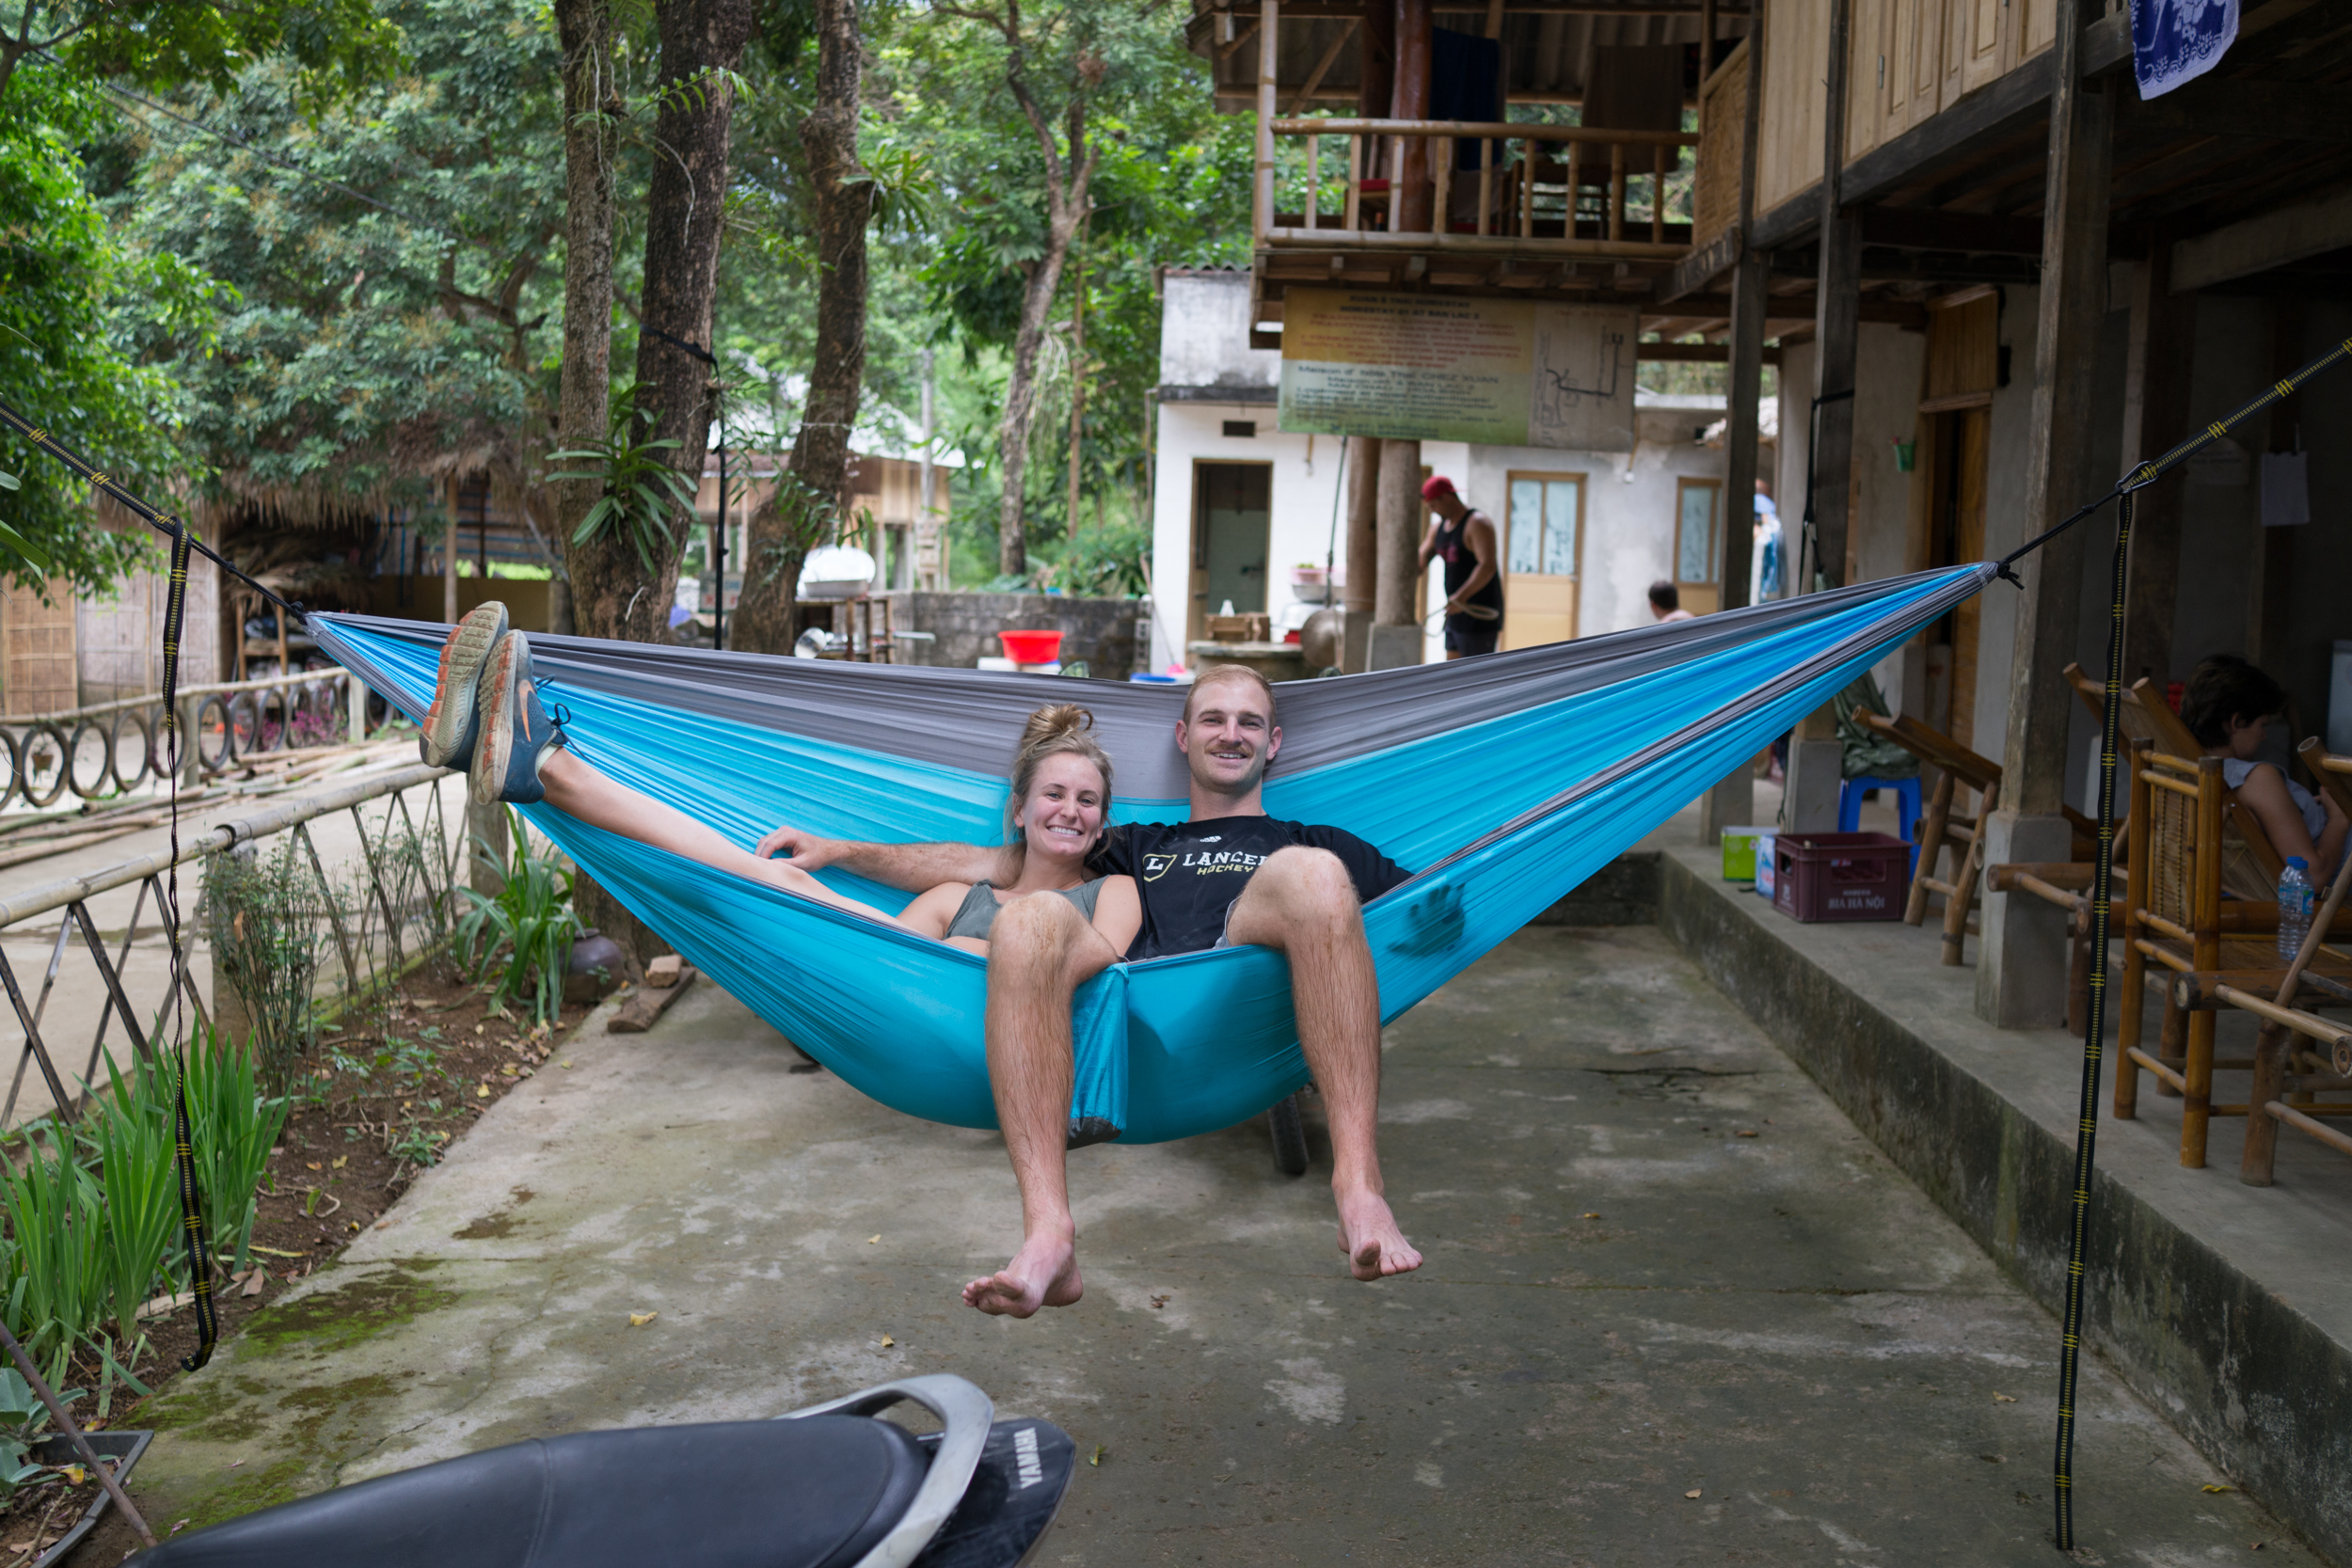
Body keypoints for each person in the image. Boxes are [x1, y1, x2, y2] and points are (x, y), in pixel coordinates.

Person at [763, 663, 1424, 1317]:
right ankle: (1049, 1234)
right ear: (1182, 736)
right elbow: (983, 862)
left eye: (1249, 721)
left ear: (1273, 741)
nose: (1231, 733)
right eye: (1212, 719)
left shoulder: (1312, 842)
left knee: (1313, 875)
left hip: (1241, 977)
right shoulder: (1126, 845)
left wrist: (1507, 856)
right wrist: (841, 850)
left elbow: (1433, 909)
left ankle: (1359, 1188)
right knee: (1027, 916)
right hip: (1136, 1007)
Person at [419, 603, 1141, 956]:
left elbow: (1104, 968)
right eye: (1055, 793)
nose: (1070, 811)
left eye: (1086, 801)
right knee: (774, 881)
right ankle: (537, 762)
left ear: (1104, 823)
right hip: (909, 986)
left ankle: (536, 760)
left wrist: (980, 949)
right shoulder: (961, 891)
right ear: (1019, 811)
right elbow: (900, 956)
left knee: (750, 886)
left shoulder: (1113, 892)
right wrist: (834, 857)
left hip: (976, 1031)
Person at [2180, 654, 2347, 883]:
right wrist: (2340, 814)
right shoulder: (2256, 779)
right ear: (2236, 722)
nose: (2264, 735)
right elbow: (2311, 876)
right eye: (2262, 725)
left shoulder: (2189, 772)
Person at [1416, 475, 1503, 659]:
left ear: (1446, 497)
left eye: (1433, 506)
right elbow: (1420, 561)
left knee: (1475, 677)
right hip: (1455, 613)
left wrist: (1460, 598)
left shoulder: (1477, 523)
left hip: (1478, 615)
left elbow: (1487, 566)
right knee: (1453, 673)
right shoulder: (1437, 529)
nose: (1432, 511)